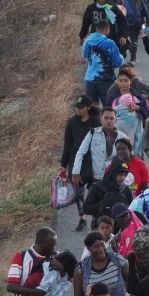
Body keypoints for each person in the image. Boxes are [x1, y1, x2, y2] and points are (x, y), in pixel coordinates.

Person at [59, 96, 101, 227]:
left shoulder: (96, 122)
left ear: (88, 107)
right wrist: (63, 164)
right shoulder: (72, 122)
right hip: (76, 159)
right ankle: (82, 216)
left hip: (92, 158)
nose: (78, 110)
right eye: (77, 107)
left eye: (81, 107)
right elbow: (67, 144)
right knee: (78, 190)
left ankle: (95, 216)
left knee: (95, 188)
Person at [74, 232, 129, 296]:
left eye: (102, 245)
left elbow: (132, 283)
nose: (101, 249)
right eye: (96, 247)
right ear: (88, 248)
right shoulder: (81, 269)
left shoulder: (118, 260)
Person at [82, 20, 123, 105]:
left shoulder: (87, 42)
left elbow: (85, 56)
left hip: (90, 80)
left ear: (96, 29)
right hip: (106, 81)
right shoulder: (109, 43)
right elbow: (117, 62)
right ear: (107, 29)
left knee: (93, 110)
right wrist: (121, 58)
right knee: (108, 108)